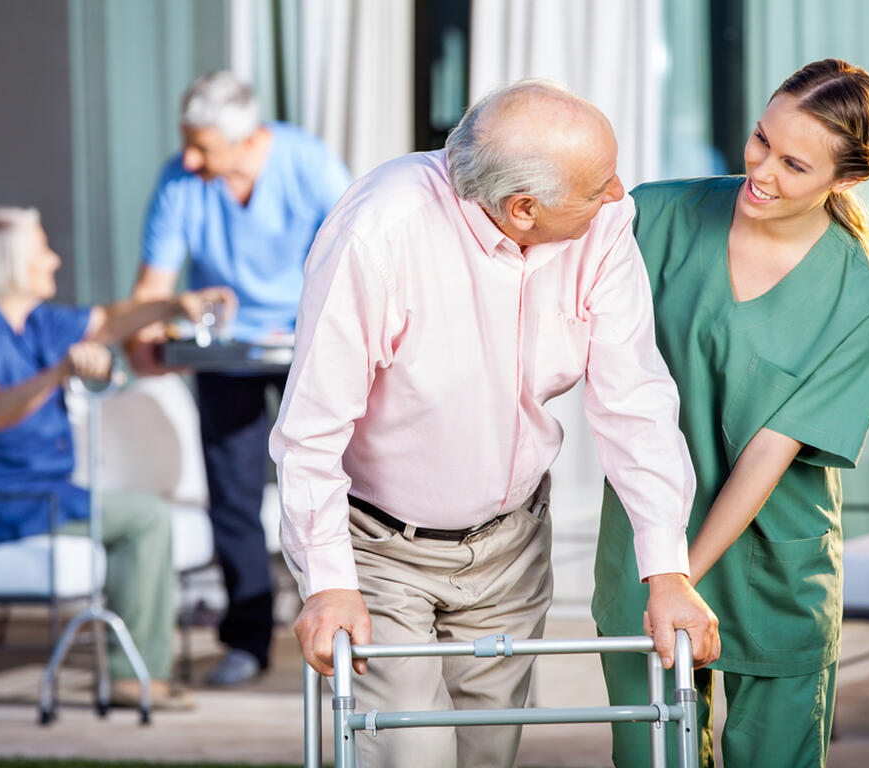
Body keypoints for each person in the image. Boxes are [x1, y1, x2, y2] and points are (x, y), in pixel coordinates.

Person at [269, 80, 720, 768]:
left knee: (489, 756)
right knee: (412, 757)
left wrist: (668, 572)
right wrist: (330, 581)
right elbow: (311, 428)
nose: (619, 191)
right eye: (599, 182)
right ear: (523, 208)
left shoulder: (602, 226)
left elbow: (636, 403)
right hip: (382, 551)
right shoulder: (379, 232)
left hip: (511, 546)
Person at [593, 59, 869, 768]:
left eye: (794, 164)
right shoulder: (656, 217)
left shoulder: (861, 302)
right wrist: (661, 577)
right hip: (644, 556)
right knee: (652, 757)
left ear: (844, 180)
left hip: (774, 570)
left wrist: (682, 578)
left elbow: (770, 451)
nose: (760, 170)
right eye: (761, 140)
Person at [0, 206, 236, 710]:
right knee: (145, 517)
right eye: (42, 252)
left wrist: (174, 306)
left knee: (143, 513)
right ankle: (128, 676)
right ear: (12, 263)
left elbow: (111, 320)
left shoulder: (37, 322)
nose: (54, 260)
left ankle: (133, 668)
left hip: (41, 493)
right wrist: (56, 374)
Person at [126, 70, 352, 687]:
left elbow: (360, 258)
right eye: (187, 143)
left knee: (347, 481)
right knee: (233, 497)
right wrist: (142, 338)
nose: (189, 157)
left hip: (309, 345)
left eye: (202, 146)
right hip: (227, 353)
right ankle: (249, 639)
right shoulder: (181, 180)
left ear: (249, 137)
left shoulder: (306, 163)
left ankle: (360, 626)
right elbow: (154, 287)